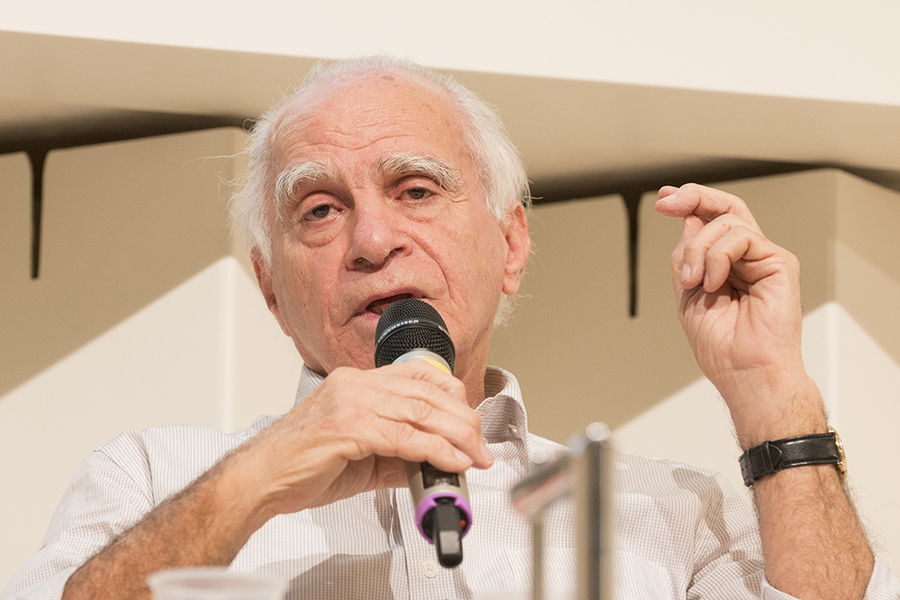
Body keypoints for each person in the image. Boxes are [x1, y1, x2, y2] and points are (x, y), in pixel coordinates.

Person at [3, 56, 898, 600]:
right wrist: (256, 479)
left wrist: (773, 395)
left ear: (511, 246)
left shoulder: (668, 512)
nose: (374, 239)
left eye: (417, 191)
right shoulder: (153, 480)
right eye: (319, 208)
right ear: (271, 291)